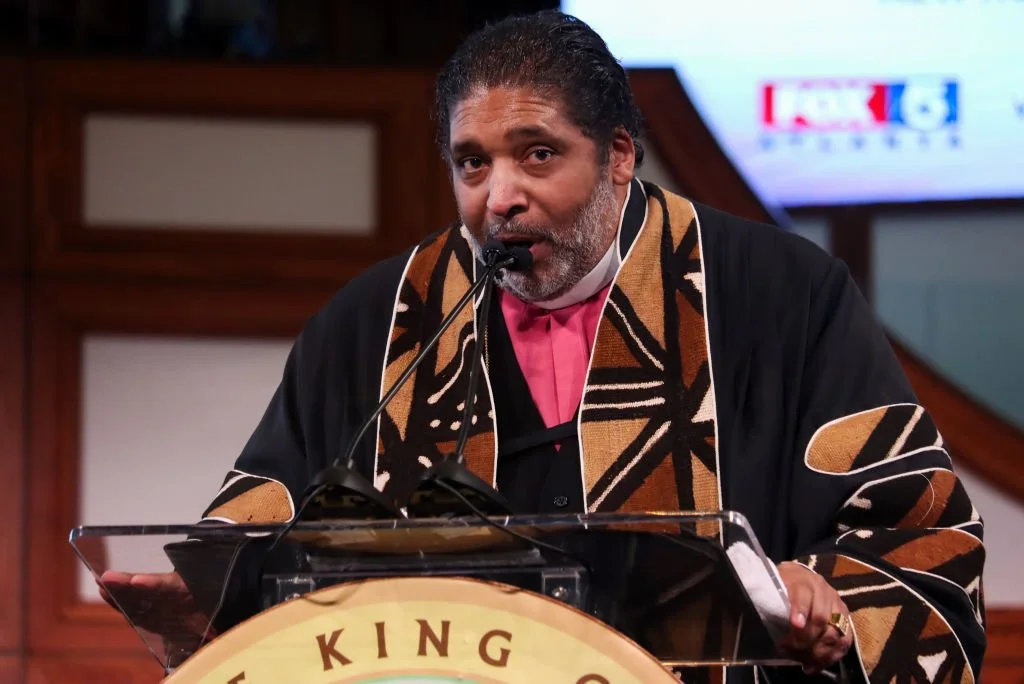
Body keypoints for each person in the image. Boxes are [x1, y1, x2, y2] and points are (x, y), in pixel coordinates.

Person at [101, 10, 986, 683]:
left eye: (536, 154)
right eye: (472, 162)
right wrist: (211, 595)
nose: (500, 197)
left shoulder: (779, 295)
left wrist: (821, 600)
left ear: (618, 158)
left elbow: (919, 541)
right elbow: (266, 525)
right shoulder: (377, 324)